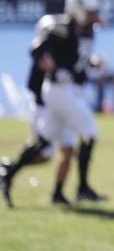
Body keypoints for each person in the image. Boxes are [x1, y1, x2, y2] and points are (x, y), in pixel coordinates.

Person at [1, 0, 107, 208]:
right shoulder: (61, 28)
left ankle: (9, 174)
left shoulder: (84, 31)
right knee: (89, 133)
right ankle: (82, 189)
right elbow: (37, 51)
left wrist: (92, 64)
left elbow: (76, 60)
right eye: (88, 12)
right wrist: (54, 67)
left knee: (48, 143)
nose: (91, 16)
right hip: (59, 91)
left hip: (63, 91)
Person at [0, 15, 75, 207]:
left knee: (67, 149)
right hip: (43, 109)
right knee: (44, 155)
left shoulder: (57, 54)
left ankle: (57, 193)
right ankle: (9, 170)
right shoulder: (40, 54)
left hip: (56, 108)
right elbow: (33, 84)